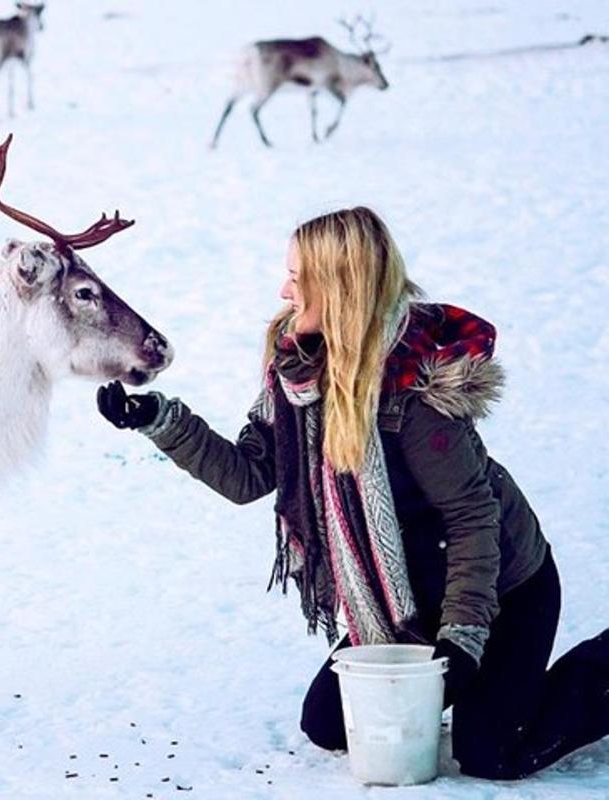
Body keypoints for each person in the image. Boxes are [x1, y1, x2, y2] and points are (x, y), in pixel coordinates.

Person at [97, 206, 608, 780]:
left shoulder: (416, 398)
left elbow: (473, 523)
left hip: (503, 588)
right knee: (328, 723)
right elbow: (247, 477)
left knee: (493, 753)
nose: (282, 290)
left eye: (296, 277)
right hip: (406, 602)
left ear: (337, 287)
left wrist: (463, 639)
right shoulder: (298, 372)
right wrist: (159, 421)